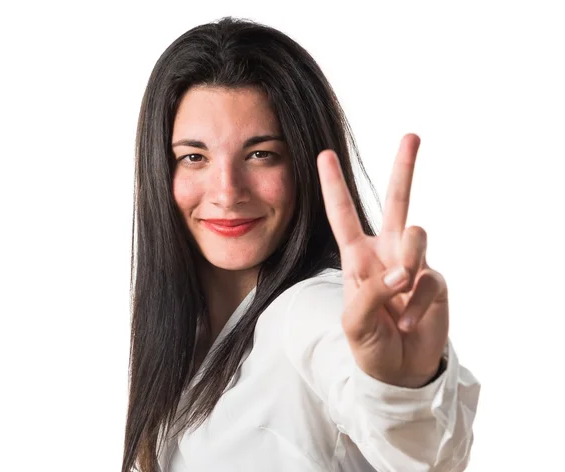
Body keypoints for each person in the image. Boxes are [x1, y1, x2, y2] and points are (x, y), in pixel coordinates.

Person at [121, 16, 480, 472]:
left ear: (304, 166)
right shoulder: (185, 338)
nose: (227, 192)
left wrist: (402, 386)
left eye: (261, 154)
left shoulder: (312, 309)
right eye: (194, 157)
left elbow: (425, 453)